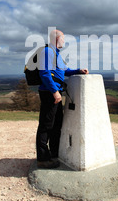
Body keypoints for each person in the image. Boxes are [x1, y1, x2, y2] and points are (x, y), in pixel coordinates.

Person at [36, 29, 88, 168]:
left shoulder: (57, 54)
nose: (64, 41)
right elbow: (45, 73)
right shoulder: (47, 52)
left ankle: (54, 154)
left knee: (56, 124)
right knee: (46, 126)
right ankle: (43, 159)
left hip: (55, 92)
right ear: (56, 39)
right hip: (49, 93)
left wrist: (78, 71)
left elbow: (64, 71)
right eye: (63, 38)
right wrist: (54, 92)